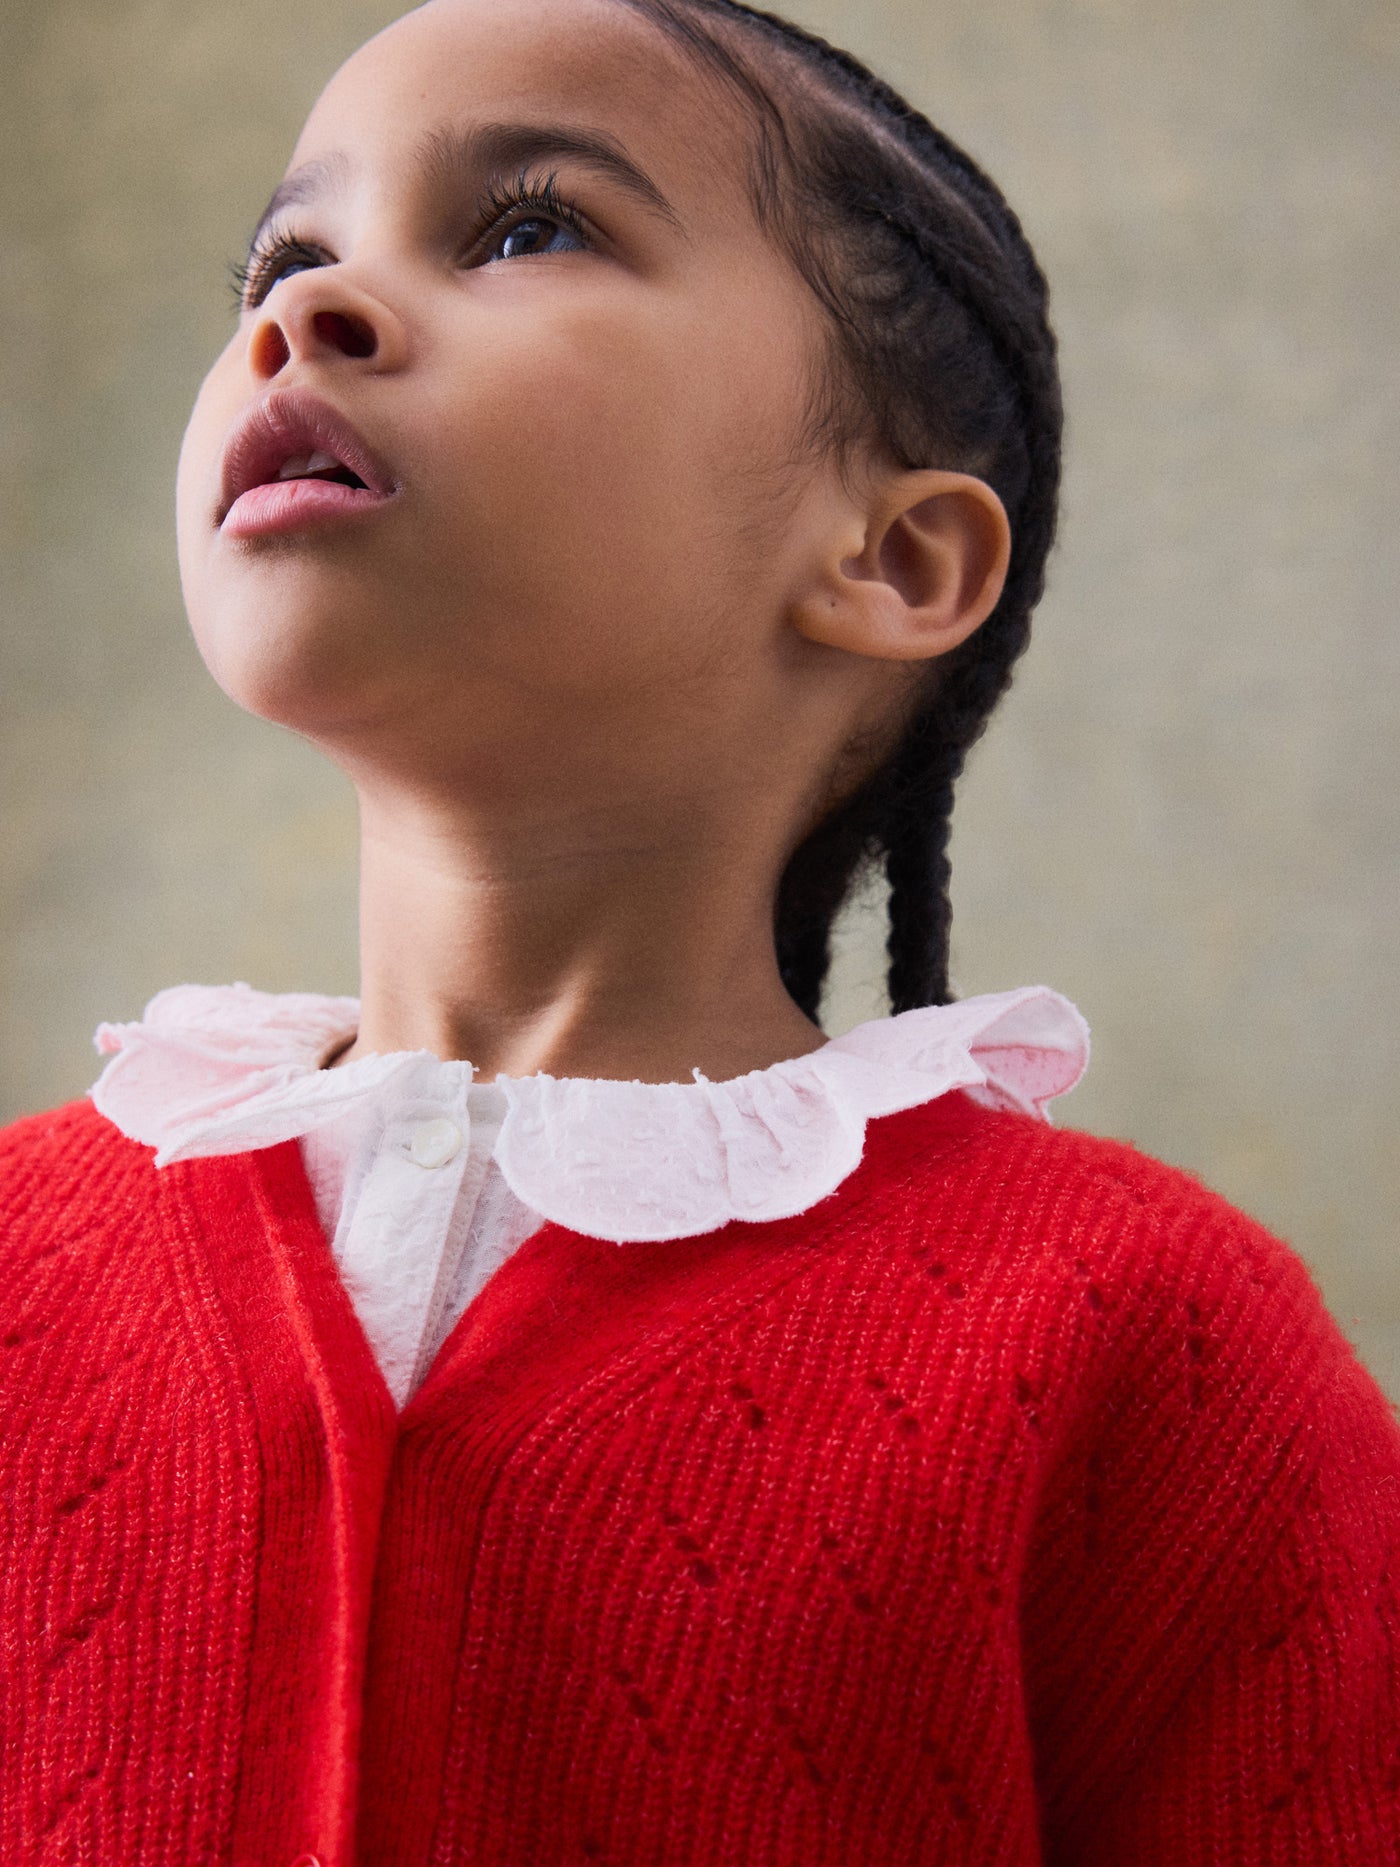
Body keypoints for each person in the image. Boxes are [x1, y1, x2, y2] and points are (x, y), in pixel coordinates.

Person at [3, 0, 1397, 1860]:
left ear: (895, 560)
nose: (304, 315)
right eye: (287, 255)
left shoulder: (1154, 1350)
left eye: (527, 228)